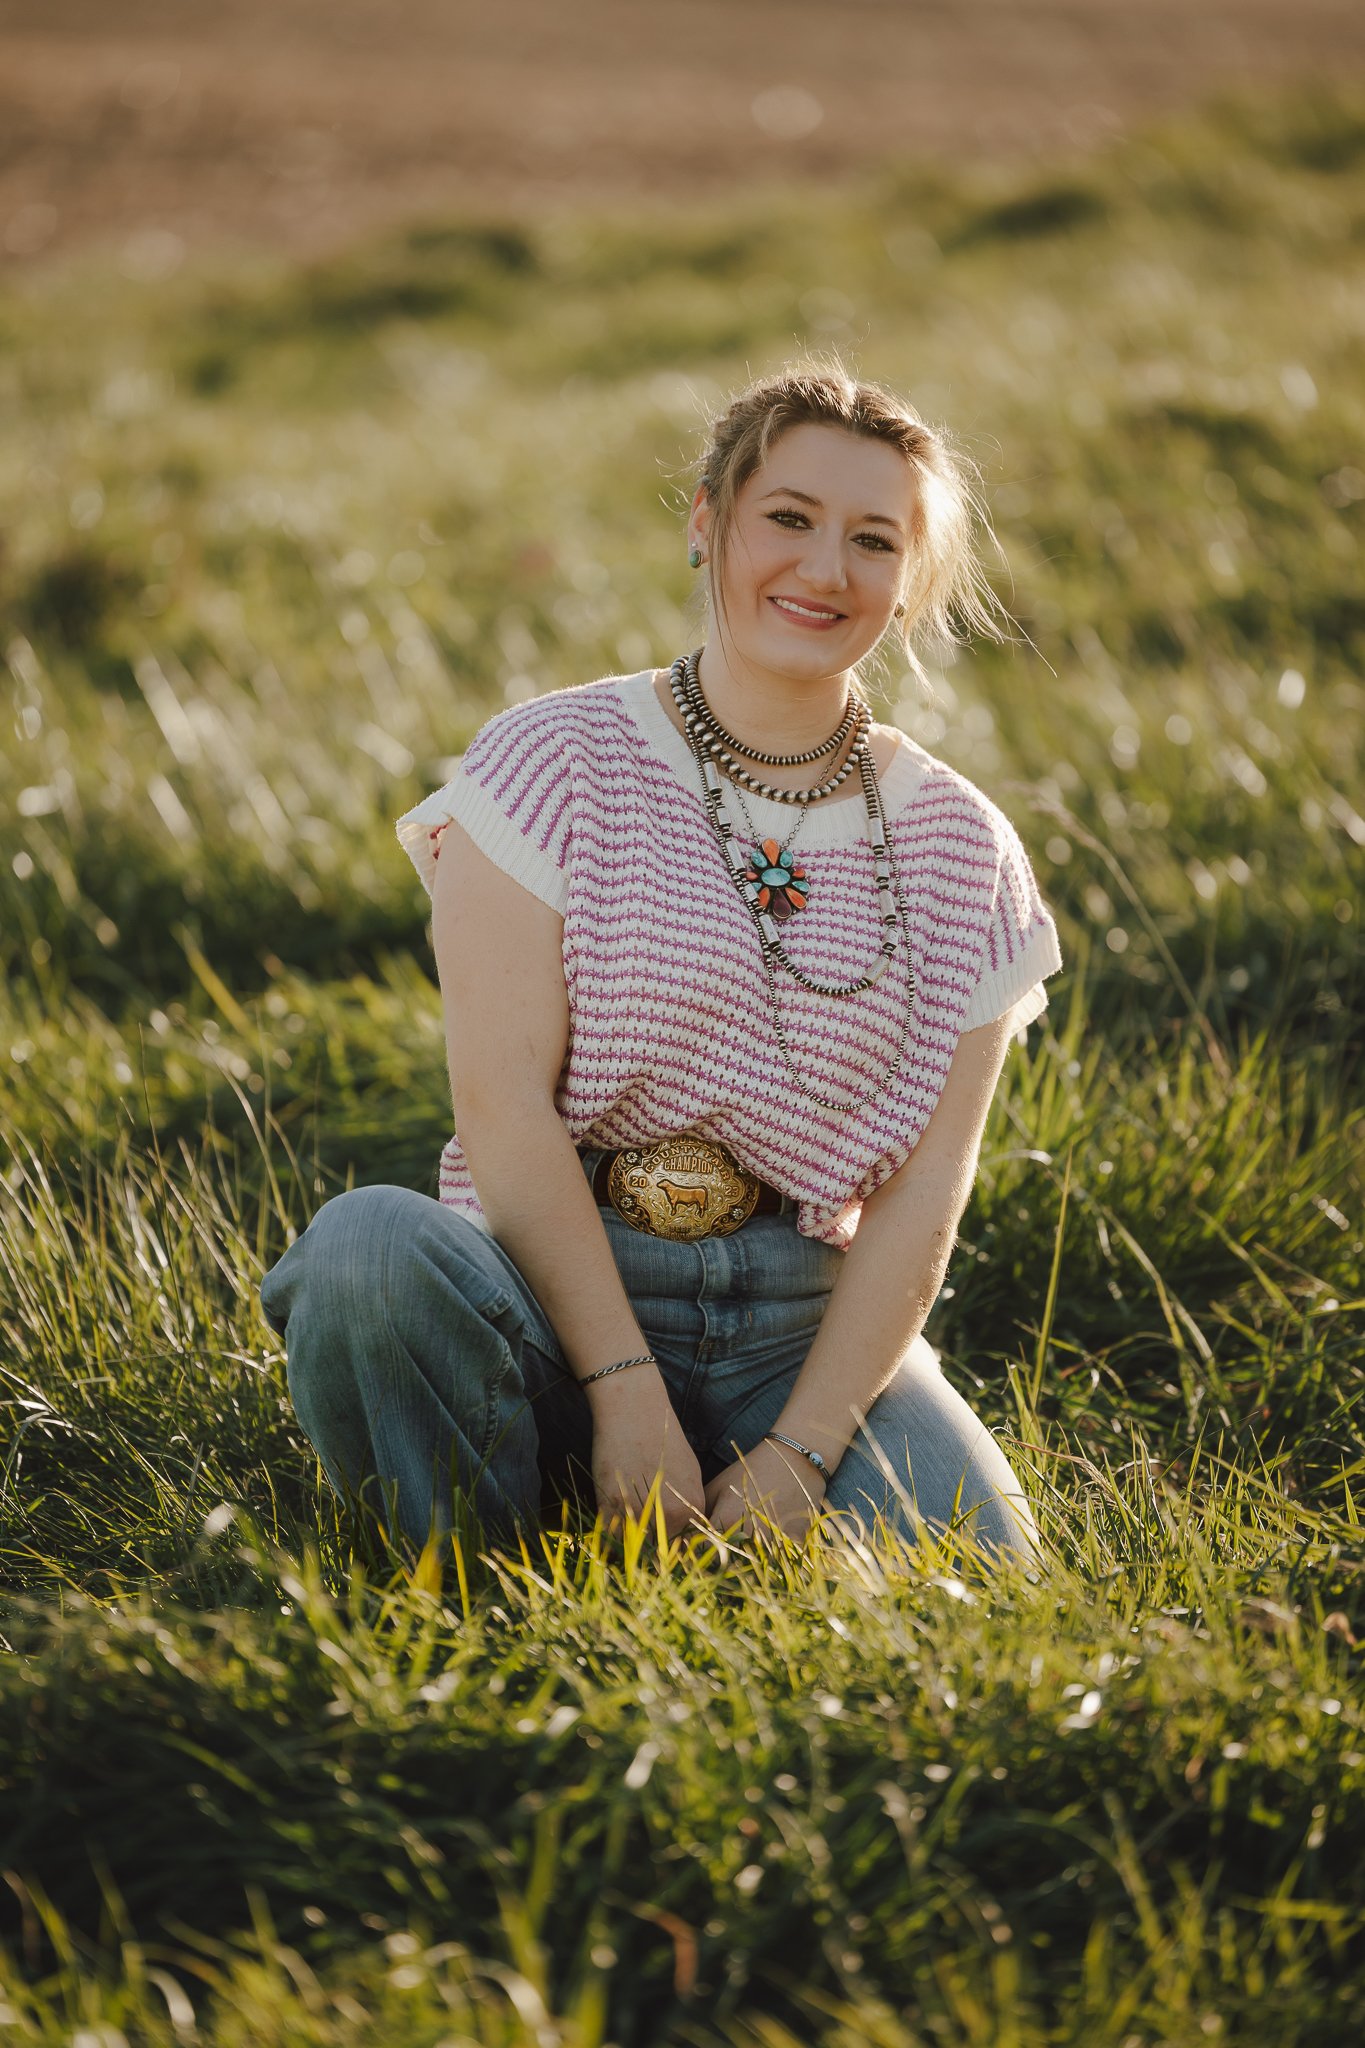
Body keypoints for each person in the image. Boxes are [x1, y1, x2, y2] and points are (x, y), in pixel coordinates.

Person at [259, 359, 1062, 1567]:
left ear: (908, 584)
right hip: (549, 1278)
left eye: (873, 540)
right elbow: (501, 1108)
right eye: (787, 518)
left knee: (987, 1568)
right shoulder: (551, 763)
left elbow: (924, 1196)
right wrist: (623, 1386)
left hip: (799, 1323)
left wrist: (802, 1449)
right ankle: (469, 1600)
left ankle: (744, 1546)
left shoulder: (963, 849)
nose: (825, 570)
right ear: (708, 520)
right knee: (368, 1249)